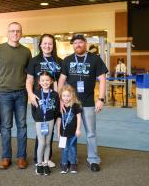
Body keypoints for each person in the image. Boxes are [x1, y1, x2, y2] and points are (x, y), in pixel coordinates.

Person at [58, 33, 108, 172]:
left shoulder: (95, 59)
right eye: (75, 43)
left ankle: (93, 159)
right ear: (72, 45)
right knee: (67, 131)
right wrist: (60, 99)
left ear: (85, 43)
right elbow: (61, 80)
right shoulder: (67, 60)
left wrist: (101, 99)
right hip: (70, 104)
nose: (77, 45)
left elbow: (102, 79)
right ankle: (69, 158)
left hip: (88, 102)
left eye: (80, 42)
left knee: (91, 132)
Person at [0, 22, 32, 170]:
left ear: (21, 33)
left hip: (21, 93)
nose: (15, 33)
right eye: (12, 31)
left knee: (22, 126)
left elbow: (29, 74)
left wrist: (30, 91)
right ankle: (6, 157)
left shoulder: (26, 52)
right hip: (4, 93)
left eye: (18, 31)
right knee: (6, 127)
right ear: (8, 33)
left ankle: (21, 157)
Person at [26, 33, 62, 167]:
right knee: (41, 129)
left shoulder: (59, 61)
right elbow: (29, 79)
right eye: (45, 43)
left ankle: (47, 158)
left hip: (53, 98)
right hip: (38, 99)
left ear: (53, 46)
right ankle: (38, 158)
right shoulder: (34, 60)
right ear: (40, 44)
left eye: (50, 44)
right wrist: (30, 93)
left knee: (50, 128)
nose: (47, 46)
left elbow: (62, 81)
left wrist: (62, 98)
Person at [31, 71, 60, 175]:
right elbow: (33, 108)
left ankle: (46, 163)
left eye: (47, 80)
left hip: (50, 120)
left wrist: (53, 118)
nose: (45, 82)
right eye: (43, 80)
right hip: (40, 121)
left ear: (51, 81)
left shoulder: (55, 94)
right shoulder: (36, 94)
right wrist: (36, 119)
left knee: (48, 143)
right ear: (39, 82)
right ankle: (39, 164)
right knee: (42, 142)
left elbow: (57, 109)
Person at [57, 85, 82, 174]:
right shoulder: (61, 107)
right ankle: (64, 164)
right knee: (64, 148)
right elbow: (59, 120)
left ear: (72, 95)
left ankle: (73, 164)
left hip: (73, 132)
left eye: (68, 96)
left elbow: (79, 118)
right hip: (63, 133)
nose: (66, 98)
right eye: (64, 96)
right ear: (61, 96)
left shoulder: (75, 106)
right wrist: (58, 133)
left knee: (72, 148)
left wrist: (78, 129)